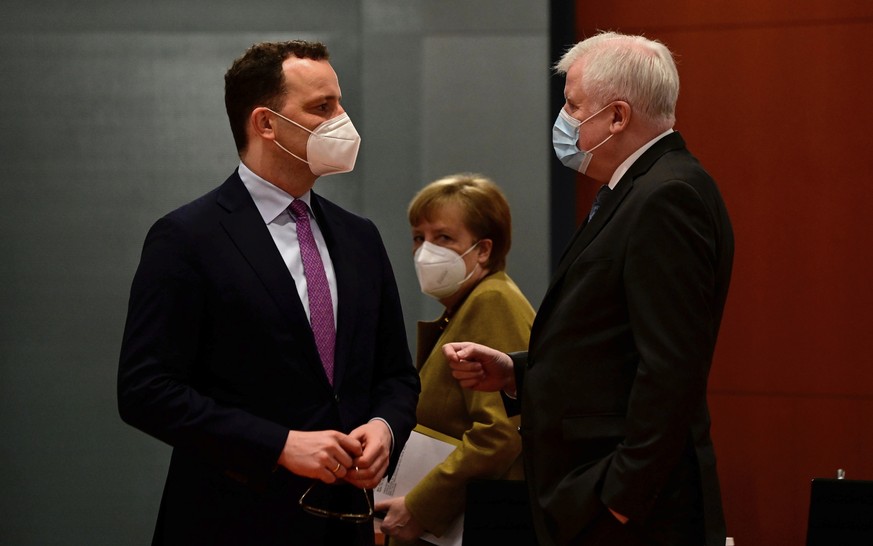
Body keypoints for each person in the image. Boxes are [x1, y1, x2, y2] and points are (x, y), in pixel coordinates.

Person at [117, 40, 420, 546]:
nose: (342, 119)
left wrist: (387, 428)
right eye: (322, 107)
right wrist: (278, 444)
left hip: (343, 522)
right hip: (231, 519)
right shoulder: (188, 237)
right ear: (265, 124)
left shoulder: (359, 236)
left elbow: (395, 374)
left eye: (339, 103)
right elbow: (146, 391)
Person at [445, 31, 734, 546]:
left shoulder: (667, 197)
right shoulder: (638, 189)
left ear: (618, 116)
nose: (564, 119)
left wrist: (620, 500)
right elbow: (610, 347)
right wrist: (517, 372)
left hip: (632, 515)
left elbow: (670, 367)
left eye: (573, 105)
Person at [375, 174, 535, 545]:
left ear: (483, 250)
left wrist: (421, 506)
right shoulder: (464, 307)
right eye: (419, 237)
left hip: (480, 524)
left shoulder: (492, 301)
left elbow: (501, 431)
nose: (425, 251)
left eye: (443, 238)